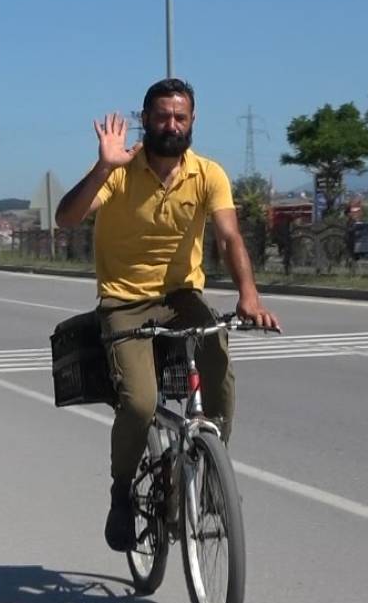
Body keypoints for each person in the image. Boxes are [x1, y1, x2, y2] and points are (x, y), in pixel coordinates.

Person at [56, 78, 281, 552]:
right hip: (123, 302)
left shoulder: (208, 174)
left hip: (181, 297)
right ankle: (121, 493)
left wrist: (249, 294)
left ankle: (210, 468)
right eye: (162, 116)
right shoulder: (120, 171)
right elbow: (66, 218)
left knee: (219, 359)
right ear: (146, 120)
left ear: (193, 121)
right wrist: (101, 166)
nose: (172, 125)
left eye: (181, 117)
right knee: (139, 403)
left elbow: (229, 237)